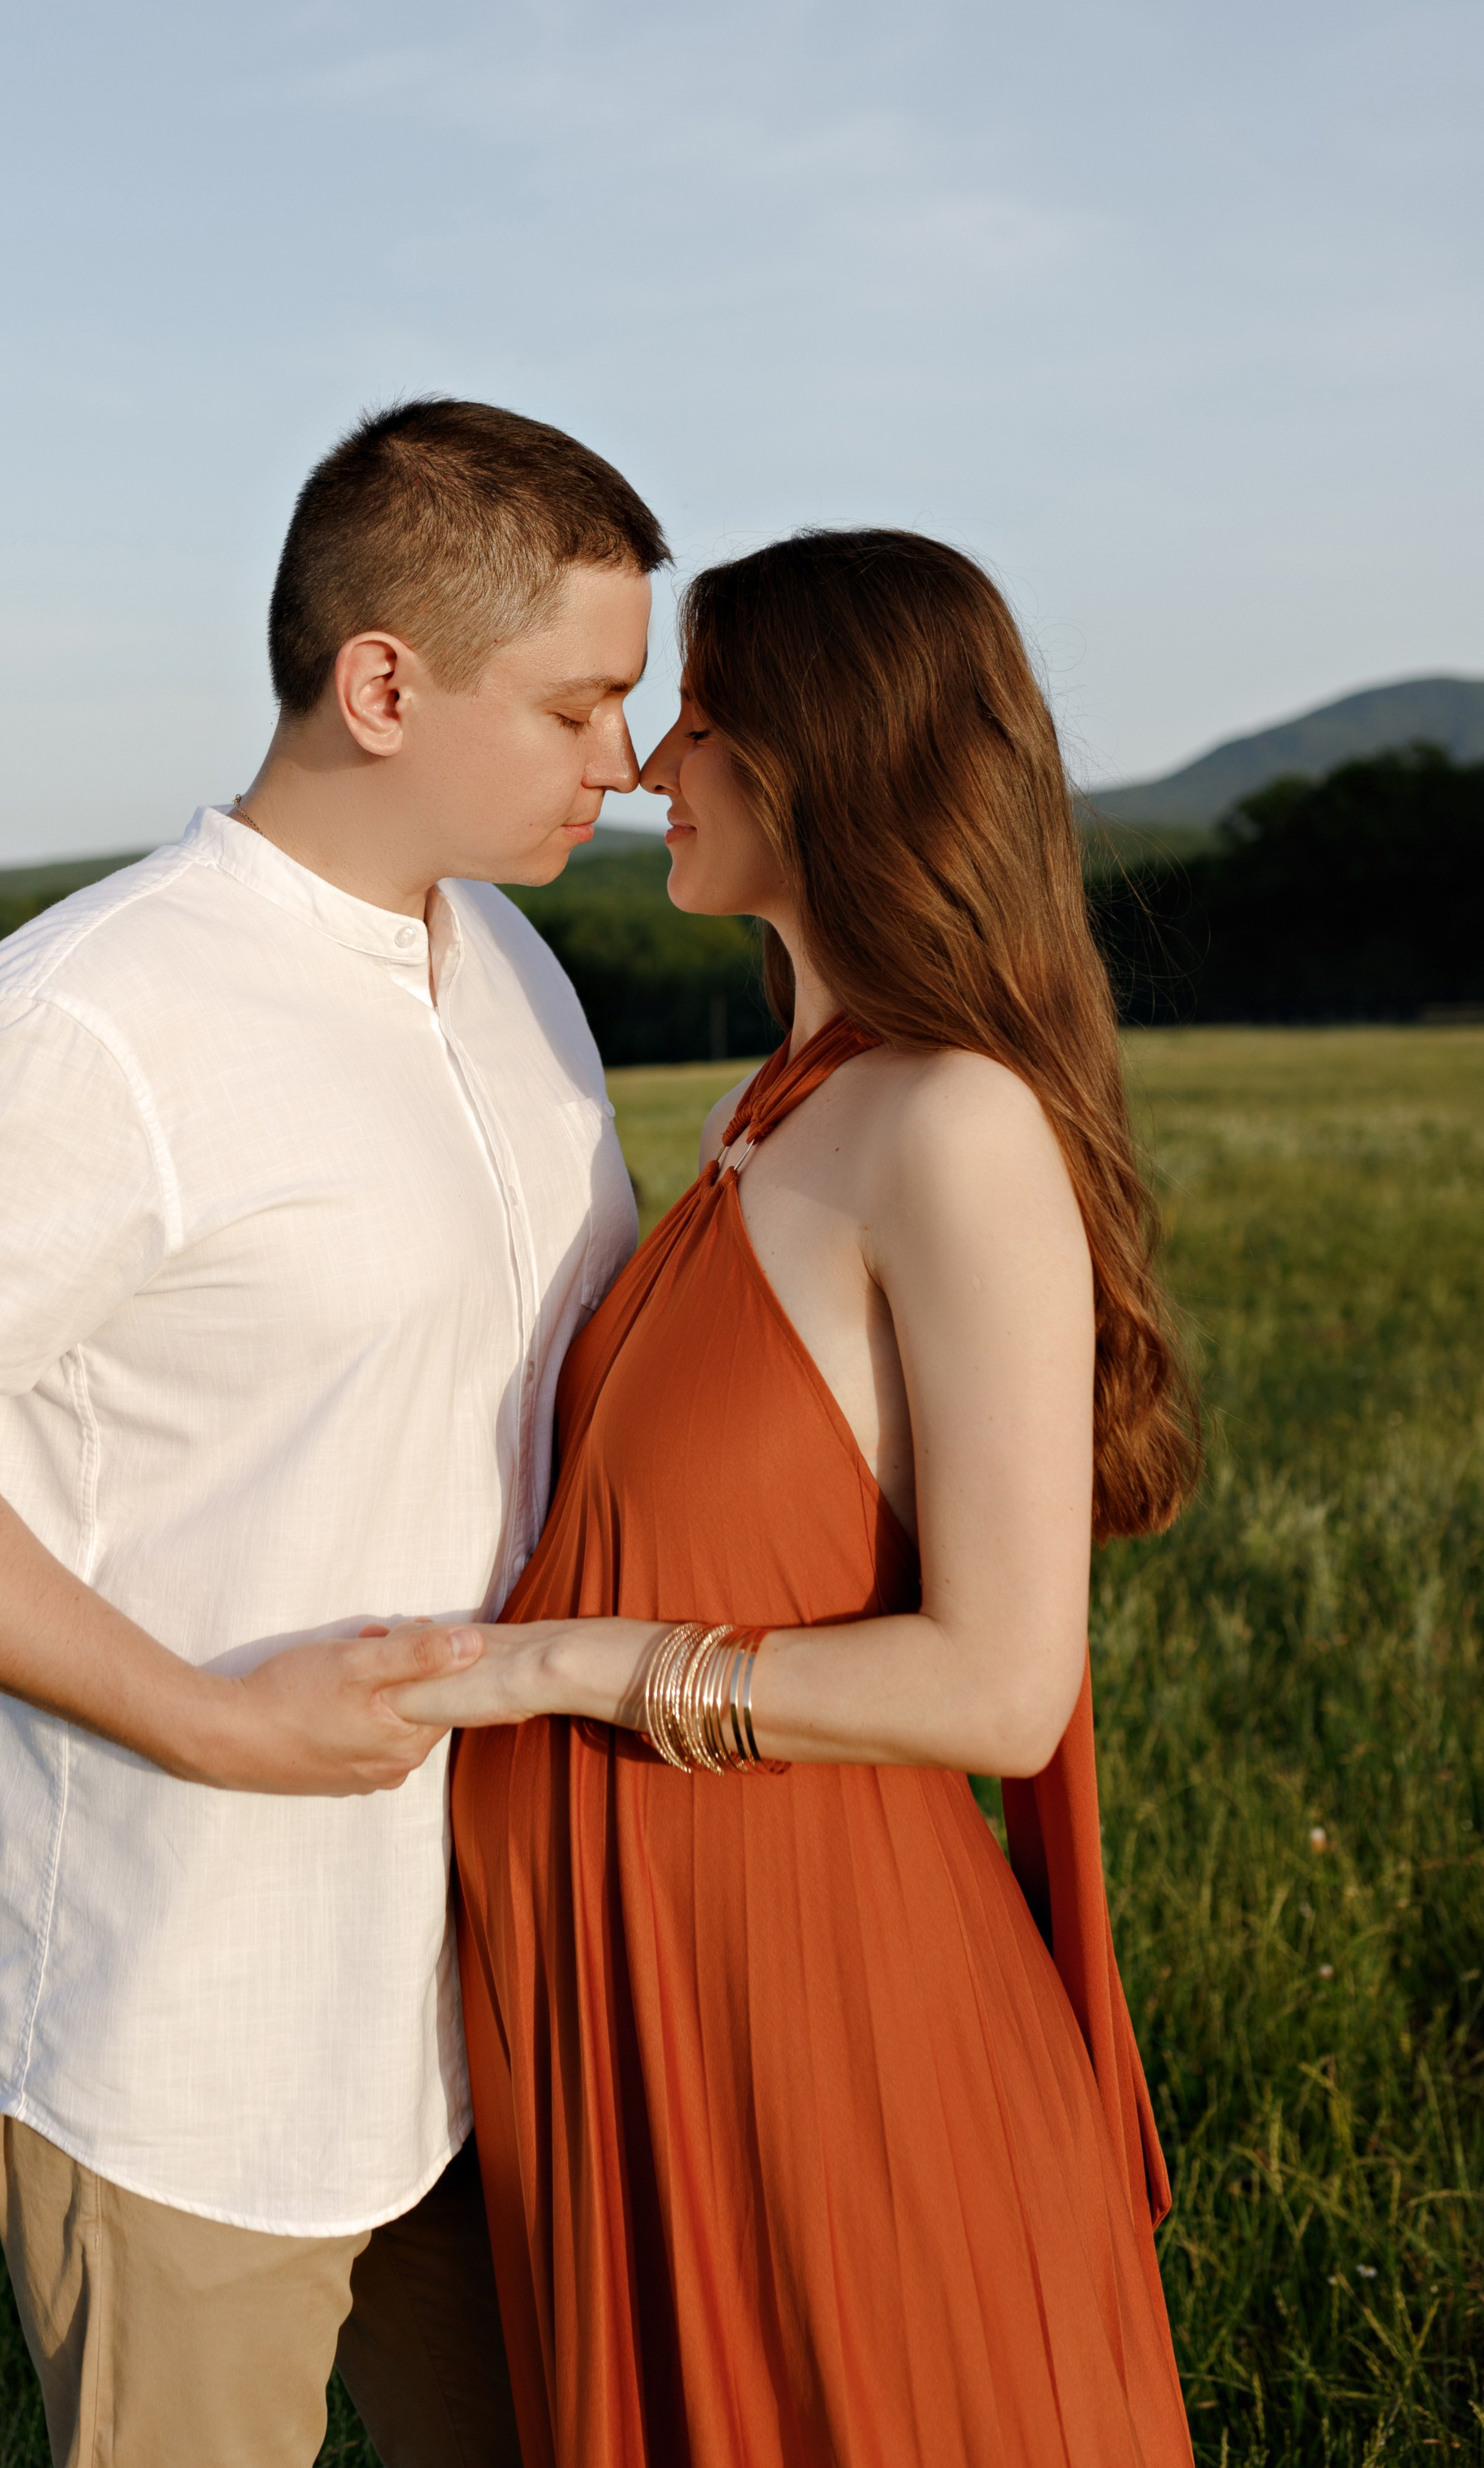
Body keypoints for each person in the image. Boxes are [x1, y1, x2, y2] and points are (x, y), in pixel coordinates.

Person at [0, 398, 669, 2468]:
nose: (631, 762)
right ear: (385, 680)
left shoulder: (514, 964)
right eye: (585, 704)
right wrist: (214, 1720)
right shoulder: (88, 1017)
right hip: (191, 2006)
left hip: (503, 1979)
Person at [401, 529, 1201, 2466]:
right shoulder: (773, 1106)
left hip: (831, 2018)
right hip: (668, 2004)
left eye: (698, 716)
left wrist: (565, 1673)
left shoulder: (953, 1120)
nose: (653, 764)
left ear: (823, 757)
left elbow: (1005, 1685)